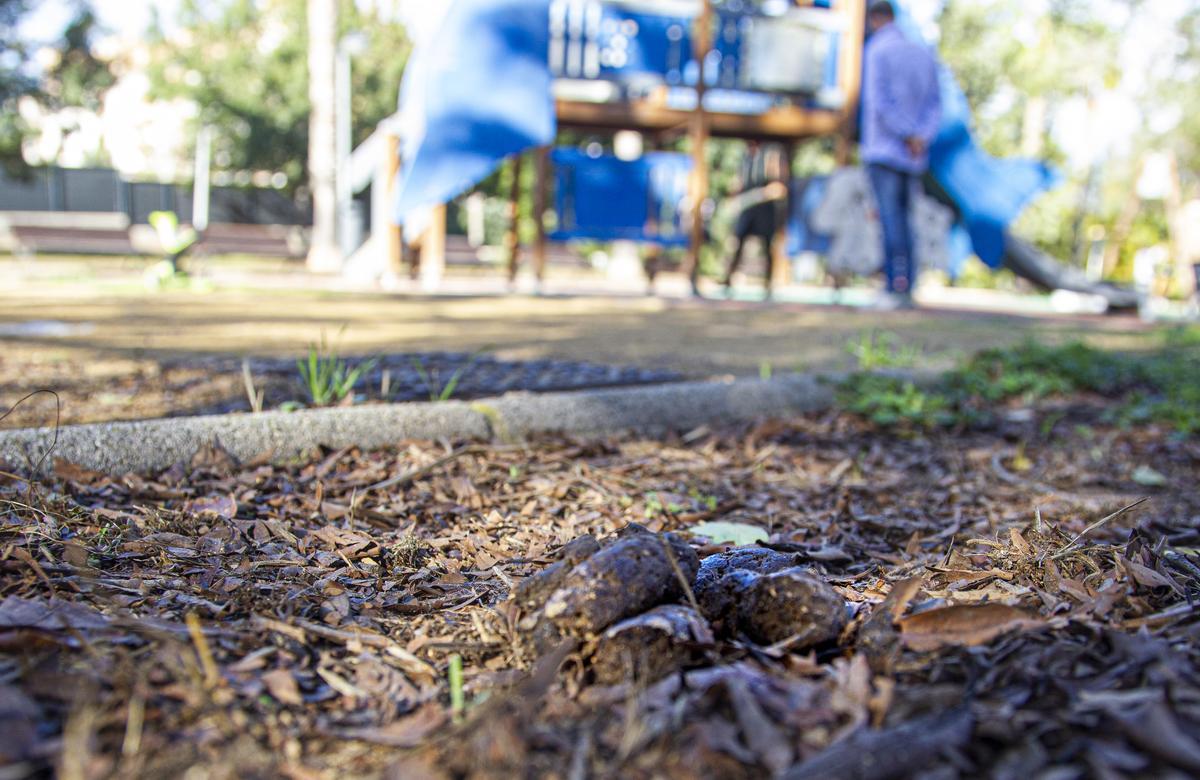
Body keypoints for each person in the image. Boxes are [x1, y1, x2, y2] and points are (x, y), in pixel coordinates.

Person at [862, 0, 942, 309]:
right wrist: (921, 135)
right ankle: (907, 285)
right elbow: (935, 103)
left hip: (885, 149)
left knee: (889, 219)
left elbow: (879, 102)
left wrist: (906, 132)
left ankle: (893, 287)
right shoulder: (923, 52)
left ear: (874, 19)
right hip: (913, 153)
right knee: (907, 221)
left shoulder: (878, 50)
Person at [722, 141, 789, 300]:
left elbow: (779, 187)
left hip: (765, 210)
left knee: (767, 246)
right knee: (738, 242)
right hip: (748, 208)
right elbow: (737, 185)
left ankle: (768, 283)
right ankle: (728, 278)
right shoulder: (745, 161)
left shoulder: (771, 155)